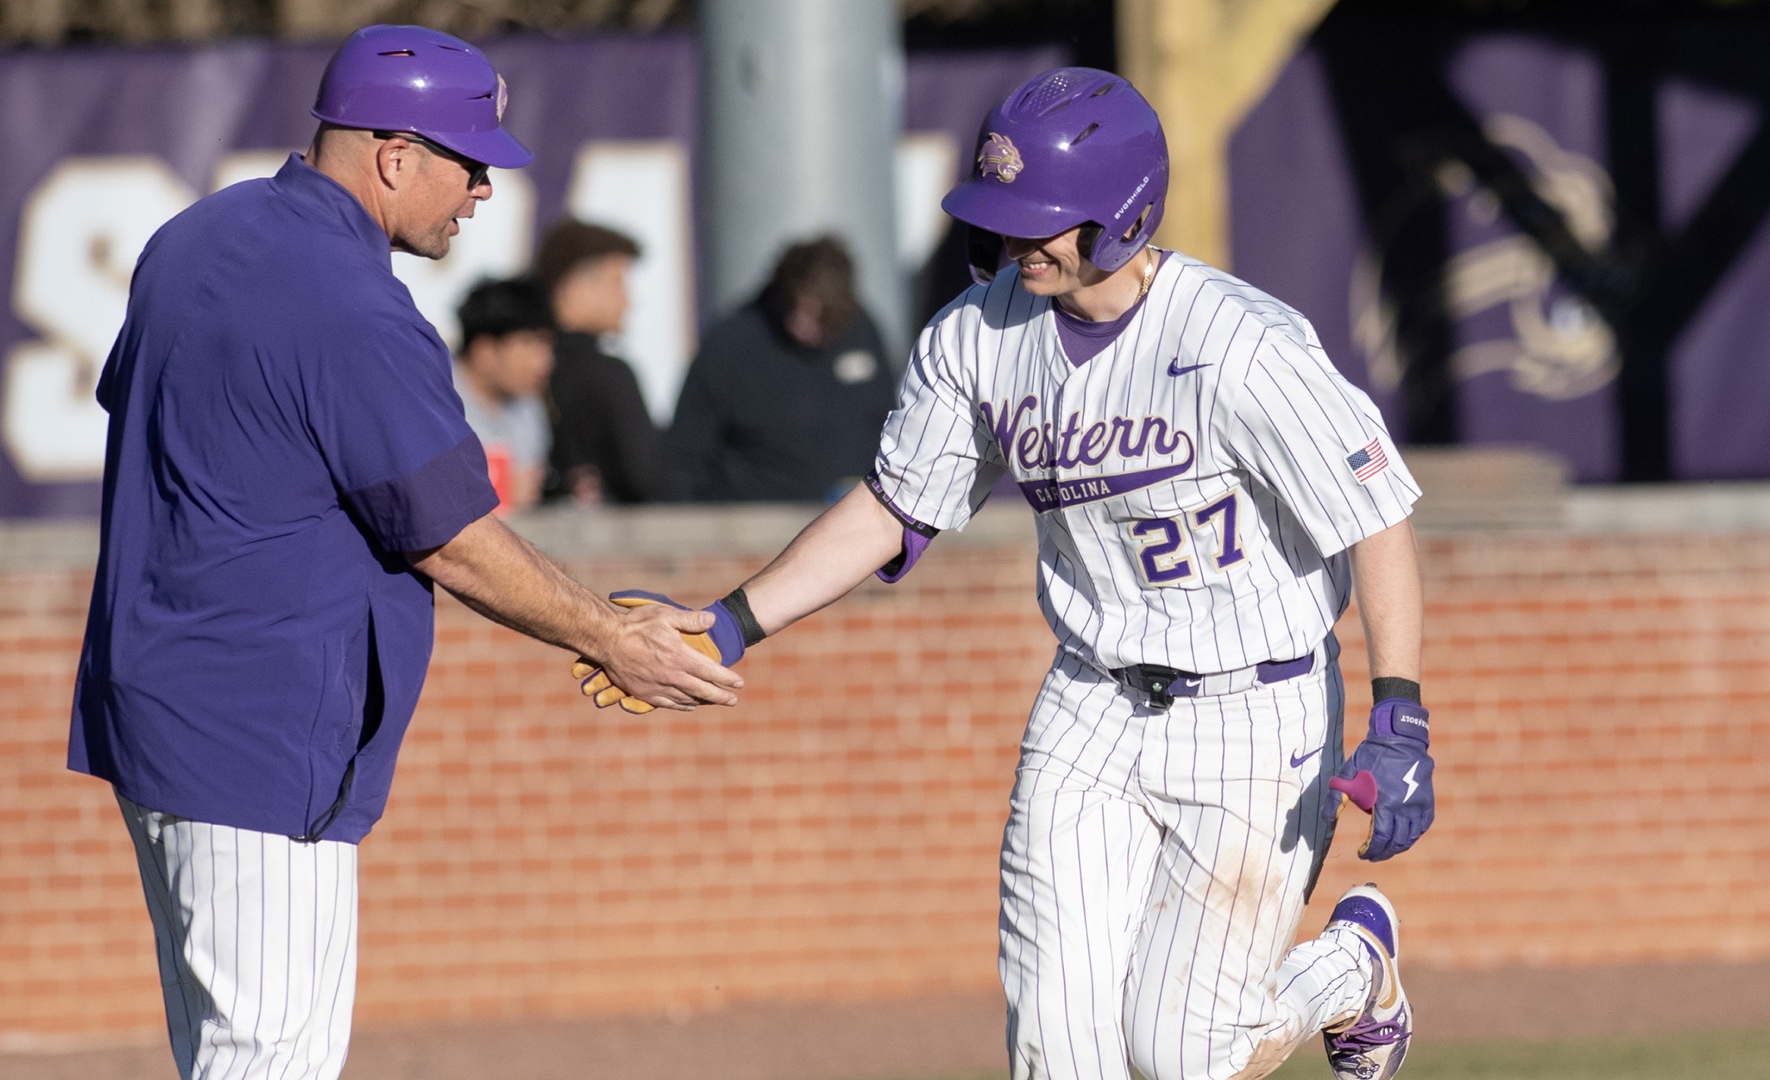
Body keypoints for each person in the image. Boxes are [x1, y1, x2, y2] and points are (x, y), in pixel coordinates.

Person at [575, 69, 1433, 1080]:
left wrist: (1399, 711)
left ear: (1123, 216)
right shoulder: (976, 338)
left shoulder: (1238, 343)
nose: (1014, 240)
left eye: (1042, 221)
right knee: (1056, 1055)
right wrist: (728, 623)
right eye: (1002, 214)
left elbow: (1377, 518)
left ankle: (1352, 962)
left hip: (1257, 707)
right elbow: (895, 506)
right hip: (1090, 705)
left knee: (1187, 1057)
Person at [67, 26, 741, 1080]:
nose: (482, 188)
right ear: (393, 154)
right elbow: (450, 537)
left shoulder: (196, 237)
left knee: (225, 1050)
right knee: (270, 1060)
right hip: (258, 733)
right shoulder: (351, 303)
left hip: (154, 706)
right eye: (469, 162)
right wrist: (614, 637)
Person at [665, 235, 898, 502]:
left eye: (821, 315)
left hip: (851, 515)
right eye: (794, 307)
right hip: (751, 526)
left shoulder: (864, 332)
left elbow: (889, 425)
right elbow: (686, 456)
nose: (802, 323)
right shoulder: (731, 342)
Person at [533, 218, 668, 504]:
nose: (628, 301)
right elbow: (646, 480)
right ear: (576, 287)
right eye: (617, 283)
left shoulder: (518, 369)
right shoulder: (609, 375)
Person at [454, 276, 557, 515]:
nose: (544, 362)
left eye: (547, 346)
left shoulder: (529, 405)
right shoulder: (434, 399)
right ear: (485, 351)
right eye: (528, 343)